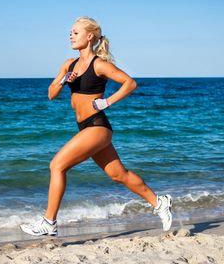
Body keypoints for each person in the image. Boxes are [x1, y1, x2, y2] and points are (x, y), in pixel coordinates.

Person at [20, 16, 172, 236]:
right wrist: (64, 80)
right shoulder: (68, 64)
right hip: (85, 127)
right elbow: (51, 95)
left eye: (76, 32)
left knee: (57, 165)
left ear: (89, 36)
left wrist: (107, 101)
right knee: (119, 175)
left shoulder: (99, 64)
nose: (71, 36)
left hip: (98, 126)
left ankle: (49, 222)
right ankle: (159, 202)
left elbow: (130, 83)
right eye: (70, 33)